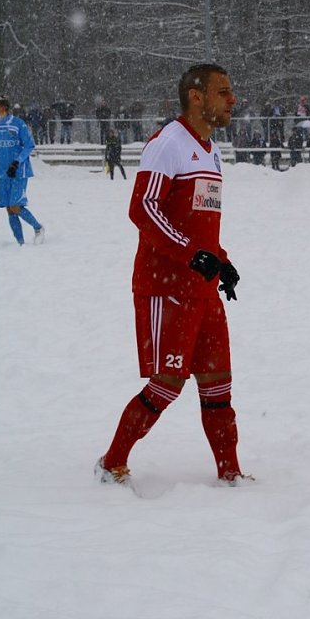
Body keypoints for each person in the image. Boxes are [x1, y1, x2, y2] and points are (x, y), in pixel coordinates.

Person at [96, 63, 250, 487]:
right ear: (196, 96)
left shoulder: (211, 149)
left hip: (201, 288)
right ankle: (112, 463)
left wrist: (221, 259)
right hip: (166, 288)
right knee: (167, 383)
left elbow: (199, 222)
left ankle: (230, 474)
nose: (232, 100)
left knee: (219, 384)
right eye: (224, 92)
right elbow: (143, 208)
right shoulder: (169, 143)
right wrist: (191, 254)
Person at [0, 94, 45, 246]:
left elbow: (29, 145)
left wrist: (17, 162)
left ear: (3, 107)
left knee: (15, 205)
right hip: (2, 172)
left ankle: (38, 228)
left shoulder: (17, 123)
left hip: (18, 171)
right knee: (9, 209)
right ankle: (21, 244)